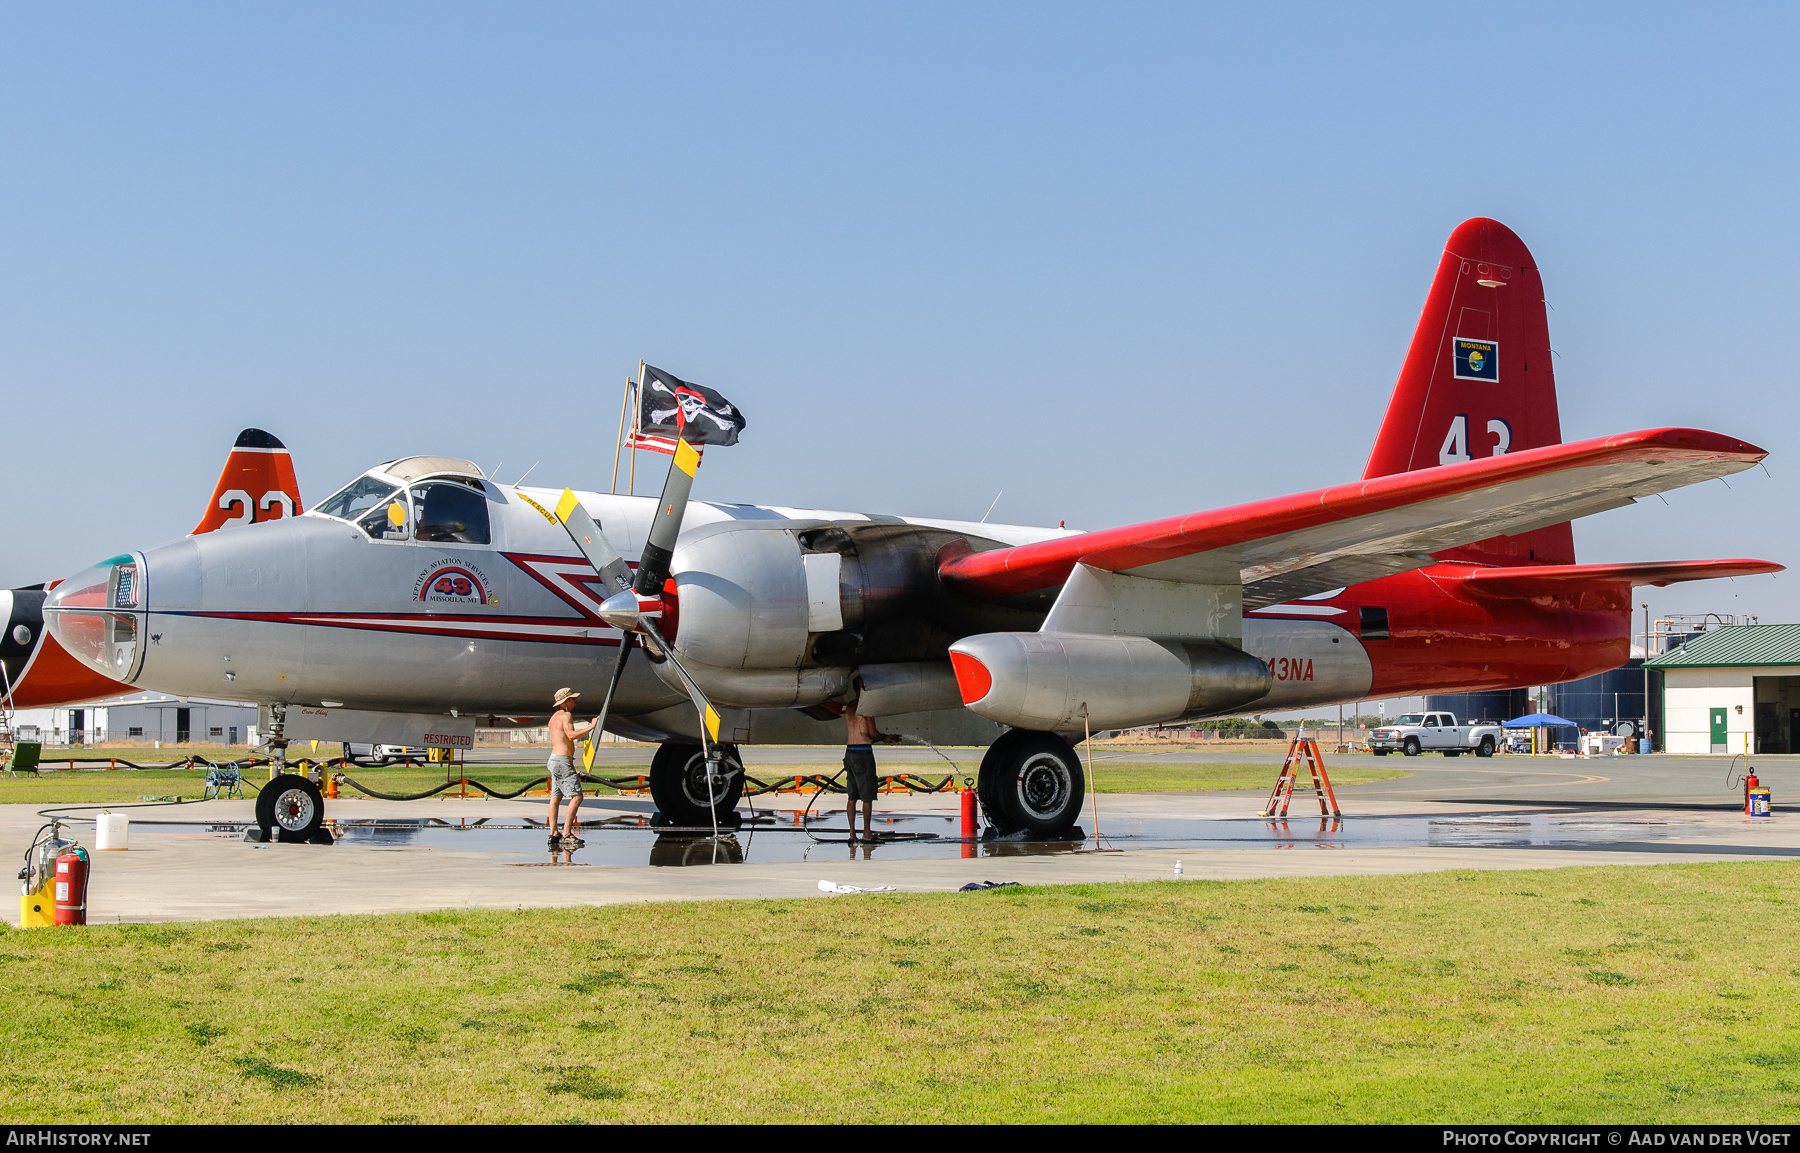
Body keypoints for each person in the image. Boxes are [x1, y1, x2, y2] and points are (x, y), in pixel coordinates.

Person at [546, 687, 597, 848]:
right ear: (566, 701)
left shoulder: (554, 717)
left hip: (554, 759)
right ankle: (567, 834)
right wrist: (592, 726)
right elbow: (571, 735)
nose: (576, 701)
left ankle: (554, 833)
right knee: (577, 797)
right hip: (562, 761)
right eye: (573, 698)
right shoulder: (566, 716)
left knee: (556, 797)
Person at [843, 698, 887, 842]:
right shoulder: (866, 707)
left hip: (850, 751)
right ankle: (867, 834)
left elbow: (859, 732)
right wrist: (885, 737)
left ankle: (852, 834)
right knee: (867, 795)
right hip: (863, 752)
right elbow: (872, 734)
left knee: (852, 796)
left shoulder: (849, 707)